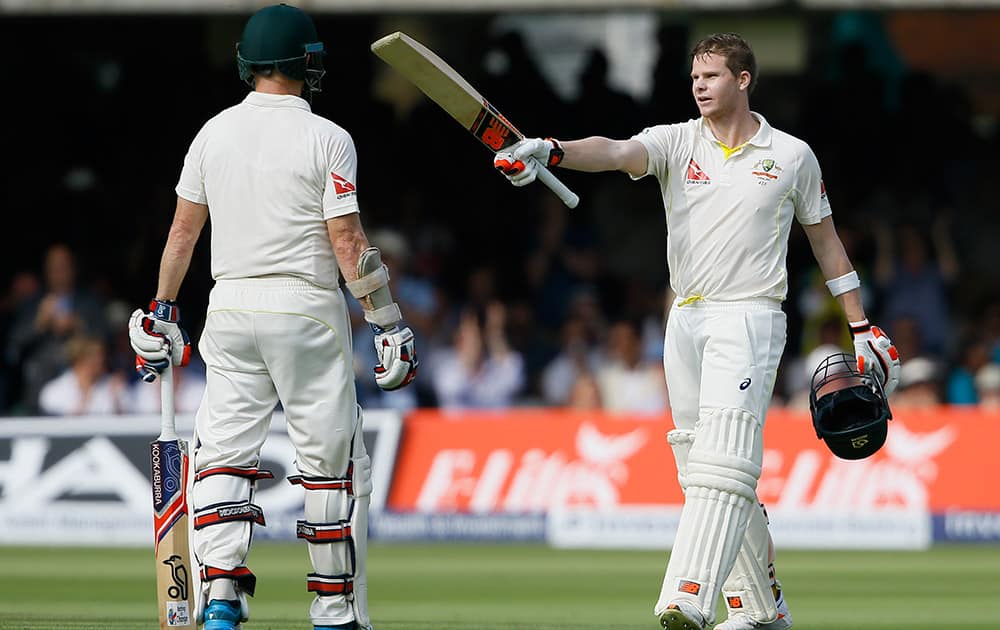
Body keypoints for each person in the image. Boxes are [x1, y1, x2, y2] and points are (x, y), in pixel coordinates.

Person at [494, 32, 901, 630]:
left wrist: (861, 325)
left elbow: (827, 243)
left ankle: (688, 596)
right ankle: (763, 611)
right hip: (684, 316)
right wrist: (550, 150)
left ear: (743, 79)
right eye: (693, 78)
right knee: (699, 464)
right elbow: (613, 152)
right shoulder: (675, 141)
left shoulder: (791, 155)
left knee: (725, 462)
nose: (699, 86)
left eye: (710, 76)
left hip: (751, 313)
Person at [127, 5, 417, 630]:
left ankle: (223, 602)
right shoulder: (328, 137)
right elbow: (349, 242)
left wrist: (160, 308)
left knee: (225, 459)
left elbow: (181, 235)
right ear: (306, 62)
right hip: (306, 311)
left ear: (248, 62)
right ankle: (334, 609)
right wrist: (387, 321)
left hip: (229, 309)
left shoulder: (211, 133)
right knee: (326, 466)